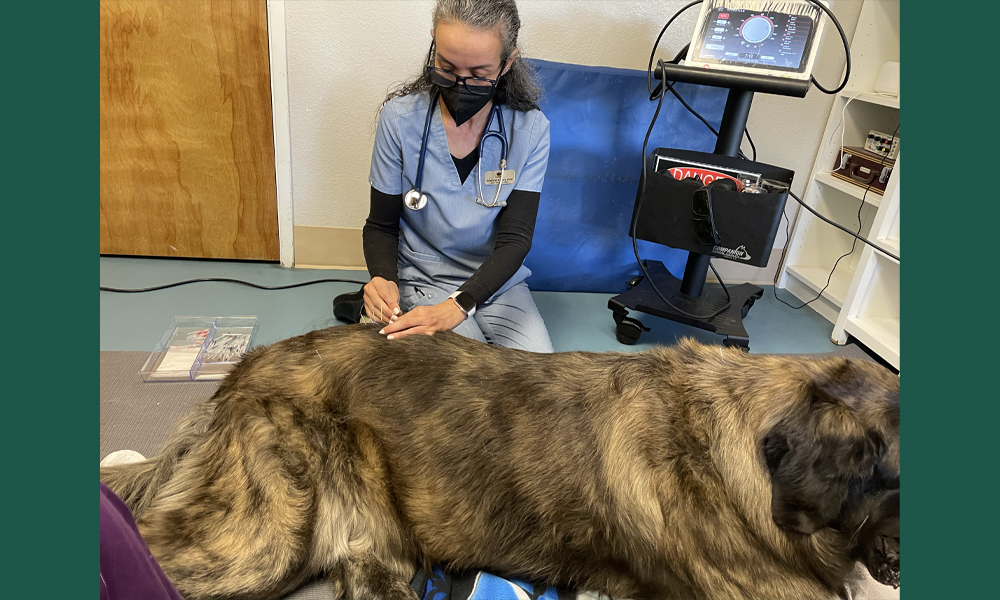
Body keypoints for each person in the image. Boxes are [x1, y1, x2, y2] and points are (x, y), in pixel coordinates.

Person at [359, 0, 553, 352]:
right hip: (421, 276)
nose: (461, 85)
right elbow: (381, 226)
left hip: (496, 281)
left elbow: (516, 240)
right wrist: (383, 278)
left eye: (479, 74)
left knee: (538, 372)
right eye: (446, 67)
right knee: (466, 372)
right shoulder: (400, 120)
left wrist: (460, 305)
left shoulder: (530, 129)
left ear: (507, 62)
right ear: (434, 44)